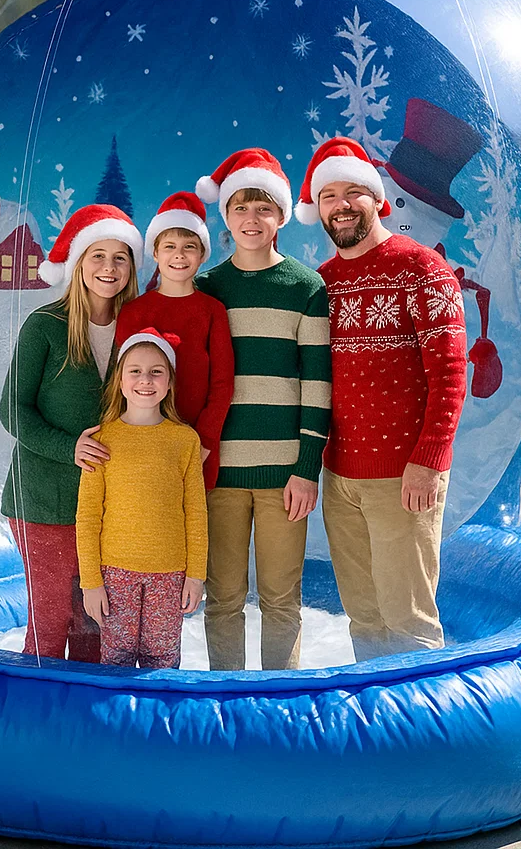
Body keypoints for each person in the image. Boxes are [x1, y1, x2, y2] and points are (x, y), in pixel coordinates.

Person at [294, 136, 468, 660]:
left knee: (408, 617)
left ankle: (423, 735)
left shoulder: (422, 270)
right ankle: (377, 728)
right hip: (340, 476)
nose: (341, 205)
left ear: (377, 199)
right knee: (364, 615)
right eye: (328, 197)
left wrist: (429, 461)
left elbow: (450, 374)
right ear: (317, 210)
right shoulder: (321, 284)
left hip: (402, 475)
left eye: (353, 193)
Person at [194, 148, 331, 671]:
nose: (252, 219)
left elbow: (318, 384)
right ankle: (224, 699)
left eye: (264, 208)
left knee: (281, 599)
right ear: (225, 217)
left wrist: (305, 469)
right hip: (219, 473)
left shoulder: (305, 287)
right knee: (222, 598)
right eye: (241, 208)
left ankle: (282, 706)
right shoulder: (207, 287)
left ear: (280, 218)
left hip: (283, 477)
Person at [0, 203, 143, 662]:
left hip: (109, 506)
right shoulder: (45, 326)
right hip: (45, 500)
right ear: (78, 263)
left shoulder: (138, 329)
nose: (108, 267)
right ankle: (31, 719)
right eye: (97, 255)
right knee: (52, 616)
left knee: (94, 621)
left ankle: (80, 726)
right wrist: (69, 447)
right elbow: (11, 409)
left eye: (119, 257)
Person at [76, 328, 208, 669]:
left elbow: (195, 512)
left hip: (170, 575)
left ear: (169, 383)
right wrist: (91, 582)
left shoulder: (184, 441)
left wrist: (196, 574)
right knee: (115, 662)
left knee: (163, 663)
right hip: (115, 575)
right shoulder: (101, 439)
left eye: (156, 372)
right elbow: (88, 517)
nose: (145, 380)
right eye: (135, 370)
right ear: (120, 381)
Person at [116, 192, 235, 490]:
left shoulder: (212, 311)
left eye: (189, 247)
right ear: (155, 253)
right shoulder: (134, 312)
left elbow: (223, 383)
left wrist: (205, 441)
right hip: (142, 442)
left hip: (197, 447)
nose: (179, 255)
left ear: (202, 254)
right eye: (169, 247)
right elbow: (120, 382)